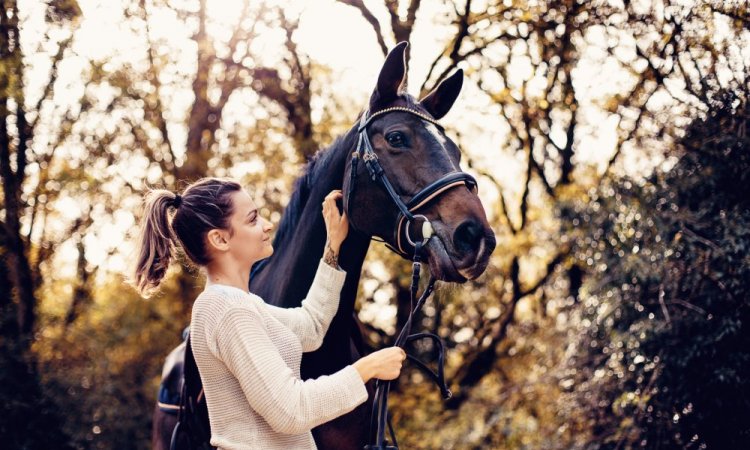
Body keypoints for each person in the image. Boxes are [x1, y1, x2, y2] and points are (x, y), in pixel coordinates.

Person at [131, 177, 406, 450]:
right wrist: (366, 369)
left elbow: (312, 327)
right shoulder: (229, 310)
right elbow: (290, 410)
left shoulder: (242, 304)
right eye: (252, 220)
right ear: (220, 238)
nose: (268, 224)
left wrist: (332, 247)